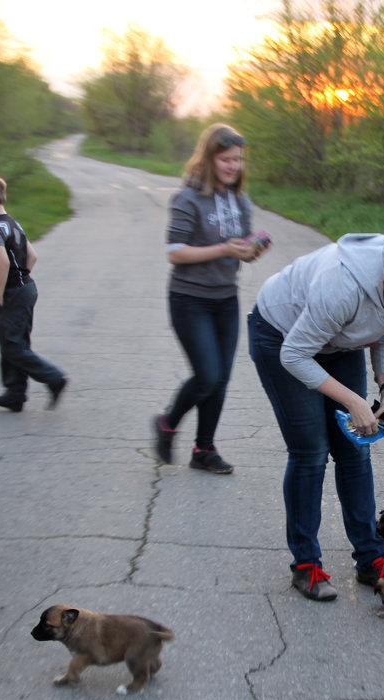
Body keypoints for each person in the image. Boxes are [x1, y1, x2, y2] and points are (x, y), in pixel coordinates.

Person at [249, 221, 384, 601]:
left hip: (335, 343)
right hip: (281, 335)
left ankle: (369, 557)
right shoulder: (343, 286)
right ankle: (306, 564)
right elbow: (294, 355)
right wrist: (352, 399)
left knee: (355, 449)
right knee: (311, 451)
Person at [152, 123, 267, 474]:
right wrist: (222, 248)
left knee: (221, 378)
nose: (233, 166)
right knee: (207, 375)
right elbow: (174, 251)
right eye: (226, 159)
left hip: (225, 299)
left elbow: (241, 246)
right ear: (209, 158)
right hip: (190, 299)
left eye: (238, 160)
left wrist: (250, 251)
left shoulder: (240, 200)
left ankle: (204, 449)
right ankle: (167, 423)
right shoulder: (188, 197)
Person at [0, 173, 67, 413]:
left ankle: (54, 378)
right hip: (27, 288)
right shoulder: (14, 223)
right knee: (14, 341)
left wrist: (1, 291)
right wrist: (22, 278)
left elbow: (2, 262)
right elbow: (32, 256)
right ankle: (15, 393)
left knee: (12, 346)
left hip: (13, 292)